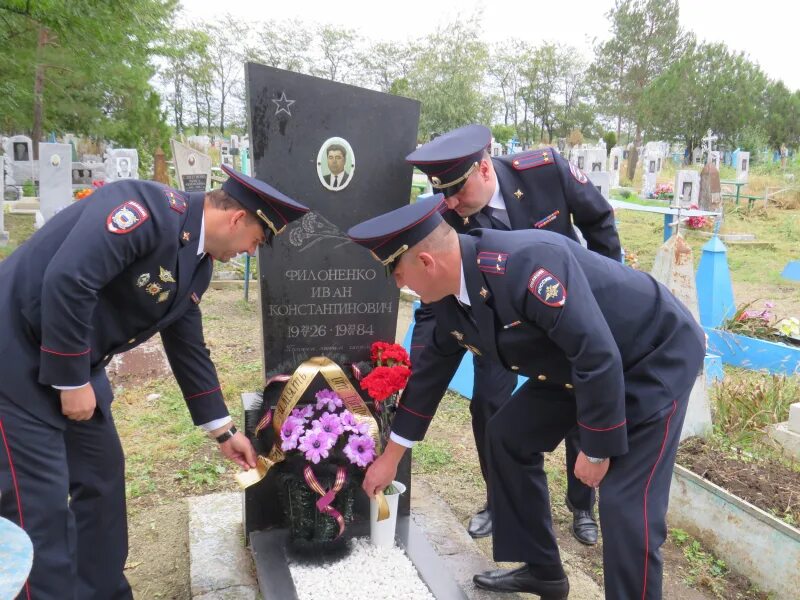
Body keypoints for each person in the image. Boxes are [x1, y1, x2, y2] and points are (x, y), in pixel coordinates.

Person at [349, 195, 705, 599]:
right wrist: (391, 458)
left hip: (650, 356)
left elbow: (597, 352)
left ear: (427, 263)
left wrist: (597, 448)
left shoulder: (525, 266)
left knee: (625, 506)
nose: (398, 284)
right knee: (507, 435)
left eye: (397, 272)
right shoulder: (446, 298)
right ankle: (543, 571)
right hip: (579, 366)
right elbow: (430, 376)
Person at [0, 164, 309, 599]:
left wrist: (223, 431)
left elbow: (187, 346)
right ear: (238, 218)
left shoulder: (196, 263)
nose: (251, 252)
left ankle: (102, 592)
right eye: (256, 241)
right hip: (13, 359)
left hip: (76, 368)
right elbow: (70, 279)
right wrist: (70, 382)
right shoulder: (144, 212)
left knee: (101, 480)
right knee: (39, 508)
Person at [405, 124, 620, 544]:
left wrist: (602, 295)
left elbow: (598, 221)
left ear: (485, 169)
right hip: (495, 328)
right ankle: (499, 500)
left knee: (583, 401)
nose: (449, 203)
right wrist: (415, 368)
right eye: (442, 193)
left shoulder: (543, 171)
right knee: (489, 407)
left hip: (562, 311)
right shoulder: (445, 217)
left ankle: (581, 505)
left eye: (456, 191)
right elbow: (434, 307)